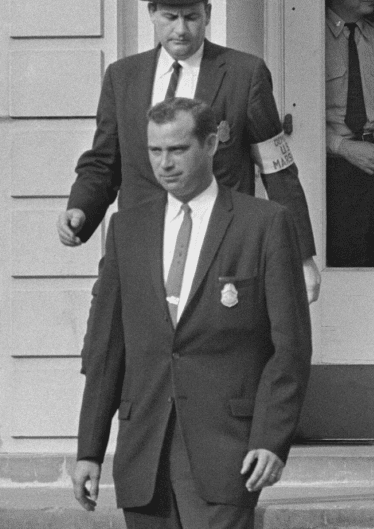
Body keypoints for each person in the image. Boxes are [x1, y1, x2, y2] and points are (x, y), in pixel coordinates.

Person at [71, 97, 312, 529]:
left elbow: (290, 347)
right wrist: (89, 449)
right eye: (155, 151)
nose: (165, 163)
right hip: (144, 446)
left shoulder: (264, 224)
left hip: (227, 445)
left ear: (211, 142)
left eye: (178, 150)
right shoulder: (127, 228)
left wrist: (271, 437)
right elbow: (107, 349)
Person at [58, 0, 320, 302]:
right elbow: (104, 162)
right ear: (152, 14)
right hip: (138, 254)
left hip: (220, 257)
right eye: (170, 17)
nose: (180, 30)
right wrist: (81, 208)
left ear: (207, 14)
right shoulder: (122, 77)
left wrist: (301, 257)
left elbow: (277, 169)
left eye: (191, 17)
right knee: (105, 348)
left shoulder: (244, 74)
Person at [325, 0, 374, 266]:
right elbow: (295, 115)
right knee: (343, 256)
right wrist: (342, 147)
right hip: (331, 167)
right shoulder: (310, 36)